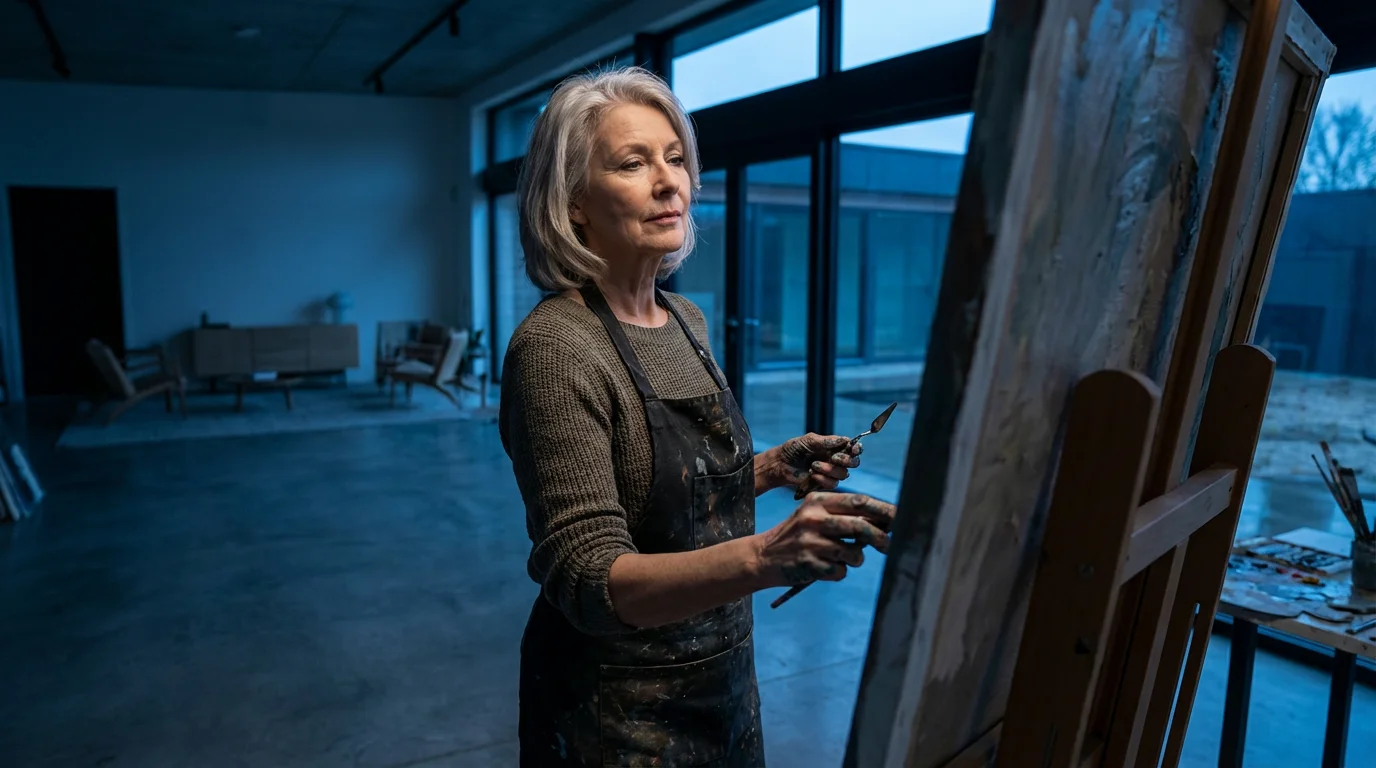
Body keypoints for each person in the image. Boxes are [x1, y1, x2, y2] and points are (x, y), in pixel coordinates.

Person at [499, 65, 897, 767]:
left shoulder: (686, 320)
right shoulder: (556, 349)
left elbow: (668, 508)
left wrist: (773, 468)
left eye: (675, 158)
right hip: (614, 710)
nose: (668, 182)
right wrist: (767, 554)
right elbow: (589, 581)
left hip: (723, 680)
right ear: (574, 202)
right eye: (632, 162)